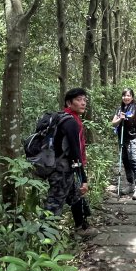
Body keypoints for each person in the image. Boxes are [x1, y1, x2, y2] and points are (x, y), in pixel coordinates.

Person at [44, 87, 96, 237]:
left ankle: (82, 228)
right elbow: (75, 152)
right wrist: (84, 179)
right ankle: (46, 241)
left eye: (85, 100)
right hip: (61, 170)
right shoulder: (70, 122)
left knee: (75, 195)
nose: (83, 103)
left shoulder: (64, 117)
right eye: (79, 100)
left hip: (59, 167)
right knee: (54, 204)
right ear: (69, 102)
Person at [111, 88, 136, 200]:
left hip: (132, 138)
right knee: (125, 160)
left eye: (128, 95)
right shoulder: (119, 109)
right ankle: (130, 184)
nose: (126, 97)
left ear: (132, 97)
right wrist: (120, 119)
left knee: (133, 161)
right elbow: (113, 123)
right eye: (124, 95)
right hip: (122, 138)